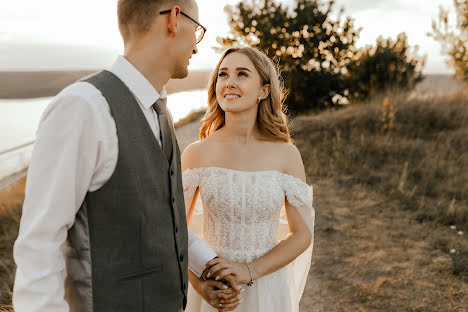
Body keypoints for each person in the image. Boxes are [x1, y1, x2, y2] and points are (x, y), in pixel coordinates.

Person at [12, 1, 240, 311]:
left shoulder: (159, 112)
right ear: (174, 19)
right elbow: (38, 247)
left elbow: (162, 217)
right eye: (197, 30)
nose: (196, 46)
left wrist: (207, 261)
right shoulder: (85, 107)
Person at [181, 47, 315, 312]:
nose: (229, 82)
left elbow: (301, 235)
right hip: (214, 289)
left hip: (267, 289)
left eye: (242, 74)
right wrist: (199, 285)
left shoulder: (286, 154)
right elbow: (172, 230)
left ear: (264, 90)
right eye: (223, 75)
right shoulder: (196, 153)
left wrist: (248, 271)